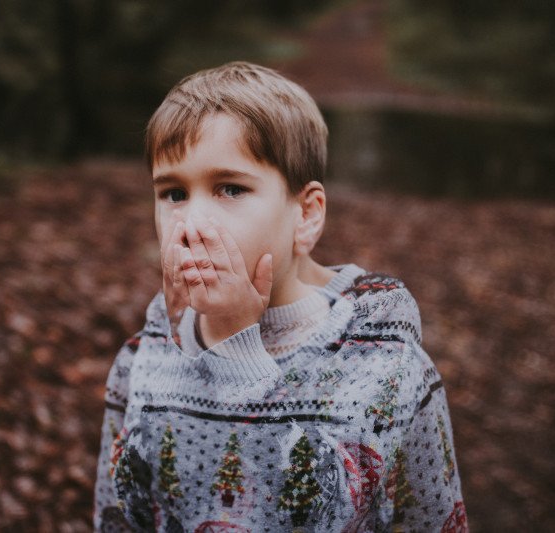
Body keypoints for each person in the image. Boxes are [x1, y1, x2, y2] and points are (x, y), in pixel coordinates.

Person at [94, 61, 466, 532]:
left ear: (306, 215)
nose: (191, 225)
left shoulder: (387, 370)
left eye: (230, 188)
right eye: (173, 193)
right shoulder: (143, 359)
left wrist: (238, 349)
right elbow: (119, 513)